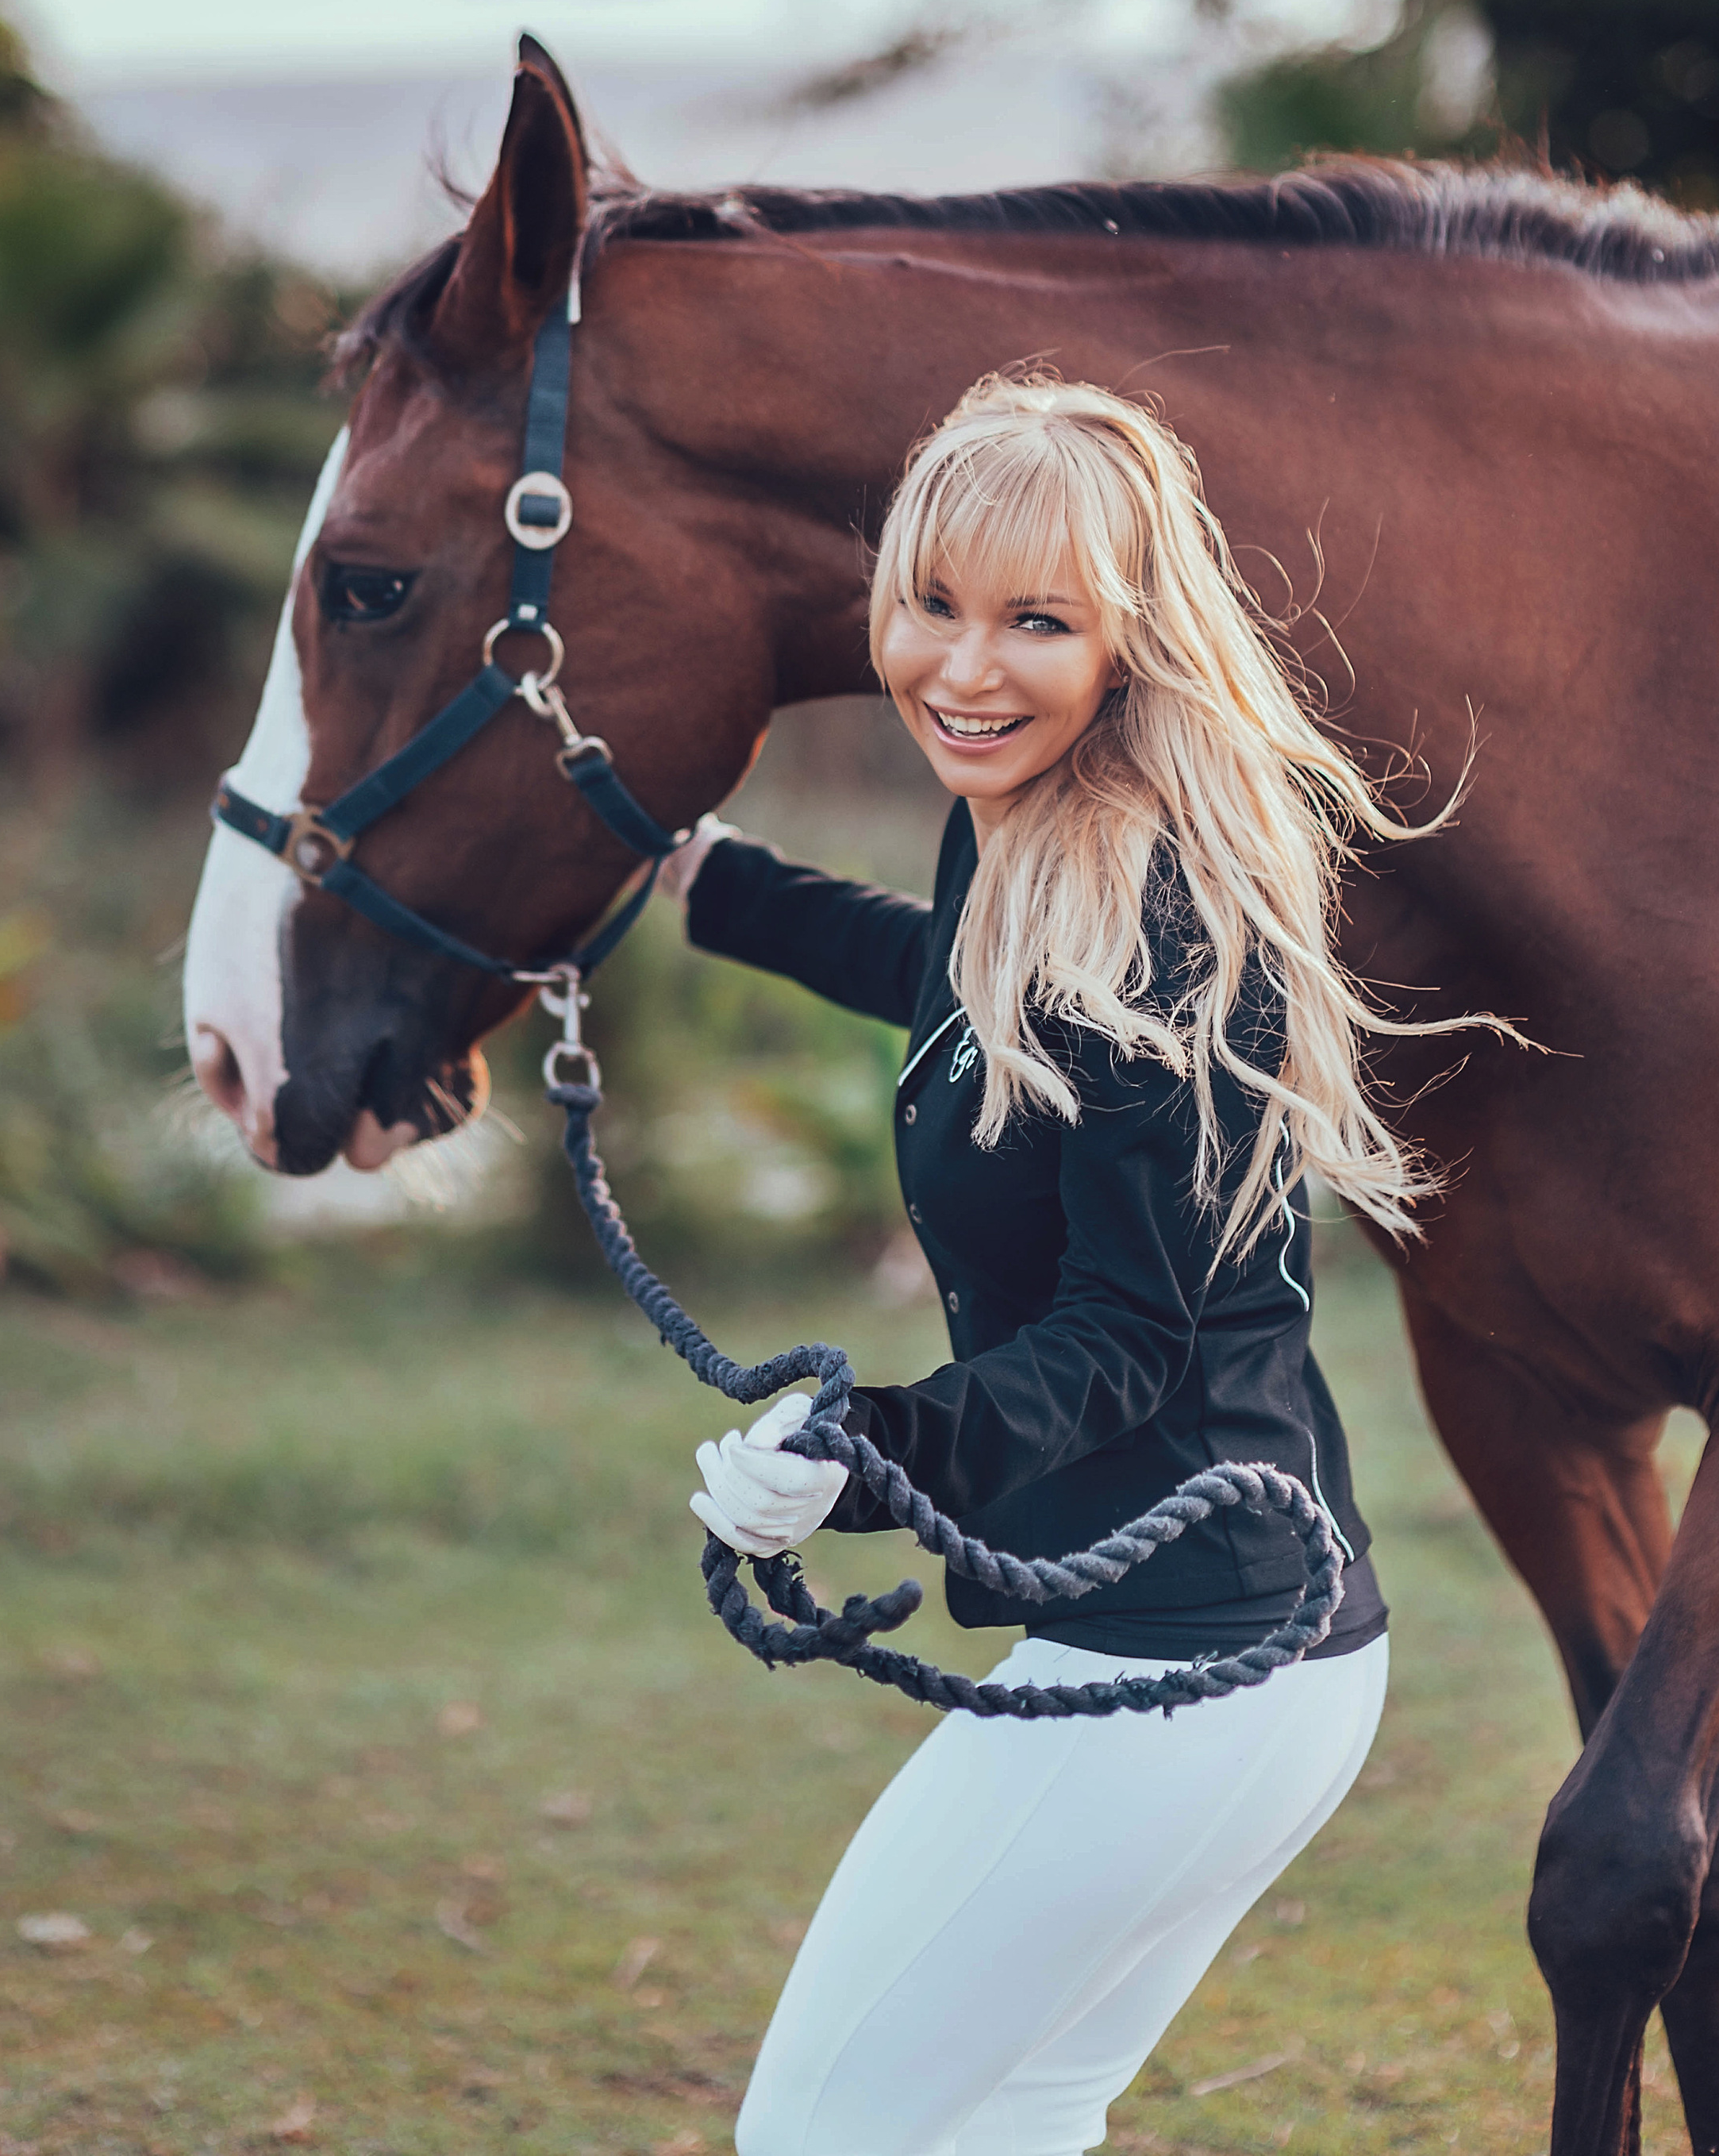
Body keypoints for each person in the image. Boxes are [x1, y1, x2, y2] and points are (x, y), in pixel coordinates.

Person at [656, 370, 1456, 2156]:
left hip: (1188, 1656)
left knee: (825, 2134)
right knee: (1008, 2122)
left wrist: (870, 1454)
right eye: (931, 604)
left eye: (1035, 621)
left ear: (1129, 642)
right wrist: (711, 889)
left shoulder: (1157, 911)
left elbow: (1124, 1331)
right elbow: (951, 977)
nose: (960, 666)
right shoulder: (1025, 826)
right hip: (1204, 1641)